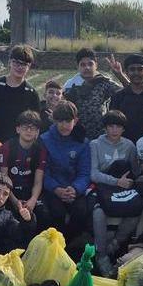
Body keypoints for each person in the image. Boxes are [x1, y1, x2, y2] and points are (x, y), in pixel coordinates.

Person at [89, 109, 141, 274]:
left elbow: (136, 170)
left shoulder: (129, 145)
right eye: (110, 126)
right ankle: (102, 255)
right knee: (98, 213)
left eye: (118, 126)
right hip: (103, 187)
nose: (114, 130)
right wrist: (115, 181)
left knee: (135, 210)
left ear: (123, 129)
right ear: (105, 128)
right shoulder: (95, 144)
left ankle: (115, 245)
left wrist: (130, 181)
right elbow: (94, 174)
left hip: (124, 187)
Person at [40, 101, 91, 241]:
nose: (64, 125)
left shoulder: (83, 142)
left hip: (74, 189)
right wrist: (56, 189)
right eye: (60, 121)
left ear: (75, 120)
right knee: (56, 213)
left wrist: (75, 189)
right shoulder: (45, 140)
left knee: (81, 212)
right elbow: (43, 171)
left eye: (68, 121)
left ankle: (69, 244)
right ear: (54, 121)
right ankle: (55, 246)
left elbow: (85, 173)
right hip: (52, 188)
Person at [0, 44, 41, 143]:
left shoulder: (31, 94)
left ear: (29, 66)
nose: (19, 67)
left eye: (24, 64)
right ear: (9, 62)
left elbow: (35, 123)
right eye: (16, 63)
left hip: (19, 145)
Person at [64, 47, 123, 140]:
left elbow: (128, 91)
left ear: (96, 65)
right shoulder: (70, 84)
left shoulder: (103, 82)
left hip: (101, 137)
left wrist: (120, 75)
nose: (87, 67)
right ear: (78, 67)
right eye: (83, 65)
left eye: (90, 64)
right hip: (77, 137)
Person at [0, 110, 47, 219]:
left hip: (30, 191)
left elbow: (38, 181)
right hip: (9, 192)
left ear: (37, 132)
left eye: (33, 128)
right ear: (18, 129)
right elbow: (3, 179)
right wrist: (14, 201)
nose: (28, 131)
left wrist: (33, 200)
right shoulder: (7, 147)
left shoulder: (41, 150)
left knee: (43, 213)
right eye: (25, 127)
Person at [108, 54, 143, 144]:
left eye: (140, 69)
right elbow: (111, 122)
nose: (136, 73)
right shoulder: (118, 97)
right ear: (126, 72)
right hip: (124, 145)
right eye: (132, 69)